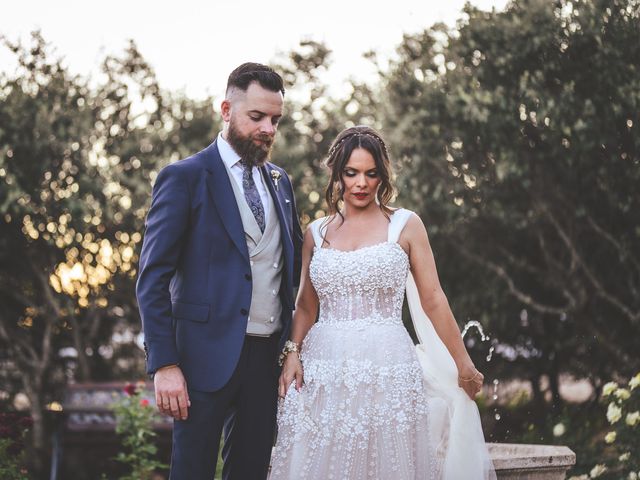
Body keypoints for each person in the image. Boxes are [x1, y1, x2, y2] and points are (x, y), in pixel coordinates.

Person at [270, 125, 495, 479]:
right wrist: (292, 352)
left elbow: (433, 298)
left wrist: (463, 363)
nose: (361, 183)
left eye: (371, 174)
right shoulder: (315, 232)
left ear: (382, 176)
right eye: (352, 173)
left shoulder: (405, 225)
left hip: (388, 366)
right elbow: (306, 305)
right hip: (324, 368)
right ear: (338, 175)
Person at [136, 62, 303, 480]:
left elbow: (290, 273)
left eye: (275, 120)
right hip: (199, 361)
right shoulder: (185, 178)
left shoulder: (281, 183)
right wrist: (164, 364)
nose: (268, 128)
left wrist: (291, 349)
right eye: (257, 117)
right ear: (226, 109)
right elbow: (151, 279)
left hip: (265, 360)